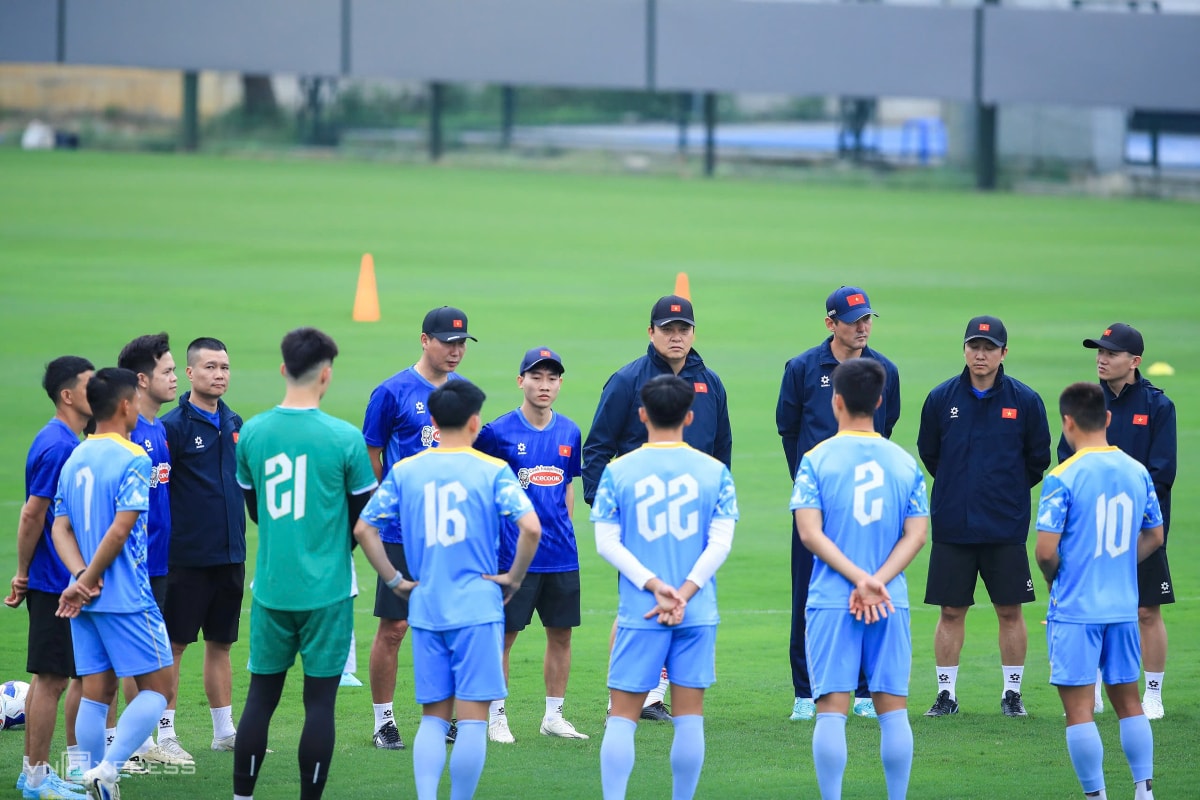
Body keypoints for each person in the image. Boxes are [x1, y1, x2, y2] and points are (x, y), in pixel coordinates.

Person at [354, 380, 542, 800]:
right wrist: (513, 577)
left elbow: (365, 529)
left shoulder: (406, 471)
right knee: (472, 721)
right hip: (478, 606)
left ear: (434, 423)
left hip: (427, 606)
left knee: (433, 718)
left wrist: (394, 580)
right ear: (475, 422)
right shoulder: (493, 471)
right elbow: (531, 527)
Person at [232, 327, 398, 800]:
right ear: (326, 375)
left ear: (283, 368)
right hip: (328, 591)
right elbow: (363, 519)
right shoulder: (344, 438)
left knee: (260, 698)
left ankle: (242, 796)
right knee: (319, 704)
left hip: (271, 589)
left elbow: (256, 510)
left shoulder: (253, 433)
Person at [583, 294, 732, 721]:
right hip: (641, 519)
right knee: (636, 605)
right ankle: (622, 698)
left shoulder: (710, 383)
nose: (676, 336)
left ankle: (653, 696)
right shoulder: (628, 380)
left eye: (683, 329)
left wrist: (717, 507)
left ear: (693, 333)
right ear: (651, 333)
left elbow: (721, 449)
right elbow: (597, 449)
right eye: (667, 329)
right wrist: (607, 507)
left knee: (685, 601)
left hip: (693, 519)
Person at [592, 375, 738, 800]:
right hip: (696, 612)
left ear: (642, 415)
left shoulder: (618, 472)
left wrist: (656, 587)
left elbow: (606, 543)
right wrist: (684, 593)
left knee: (622, 718)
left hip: (641, 611)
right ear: (689, 417)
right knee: (689, 719)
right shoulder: (715, 472)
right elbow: (721, 543)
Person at [791, 358, 928, 800]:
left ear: (836, 401)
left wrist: (857, 580)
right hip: (889, 599)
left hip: (833, 598)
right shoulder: (904, 463)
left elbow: (809, 533)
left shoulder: (816, 460)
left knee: (832, 710)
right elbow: (917, 535)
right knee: (893, 711)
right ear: (881, 401)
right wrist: (877, 582)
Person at [776, 285, 900, 721]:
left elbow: (887, 426)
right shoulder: (802, 368)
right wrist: (809, 486)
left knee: (869, 588)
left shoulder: (885, 370)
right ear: (831, 323)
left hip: (867, 506)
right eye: (853, 321)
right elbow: (789, 428)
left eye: (867, 319)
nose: (862, 327)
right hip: (817, 508)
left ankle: (864, 690)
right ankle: (805, 692)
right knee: (806, 595)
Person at [917, 316, 1050, 718]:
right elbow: (930, 454)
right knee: (950, 611)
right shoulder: (941, 399)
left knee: (1010, 610)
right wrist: (959, 487)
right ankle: (946, 695)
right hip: (953, 525)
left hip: (1004, 527)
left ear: (1003, 353)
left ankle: (1012, 694)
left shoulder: (1025, 401)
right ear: (964, 349)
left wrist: (1004, 492)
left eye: (989, 348)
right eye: (974, 346)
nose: (980, 354)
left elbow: (1037, 459)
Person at [1035, 381, 1162, 800]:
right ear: (1107, 418)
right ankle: (1144, 791)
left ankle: (1097, 796)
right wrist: (1119, 565)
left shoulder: (1062, 477)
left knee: (1079, 710)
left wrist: (1058, 578)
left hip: (1075, 610)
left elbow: (1045, 551)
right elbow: (1155, 535)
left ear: (1067, 423)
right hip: (1123, 608)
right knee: (1129, 703)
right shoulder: (1137, 470)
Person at [50, 368, 174, 800]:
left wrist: (79, 578)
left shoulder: (76, 456)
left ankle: (94, 782)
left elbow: (60, 527)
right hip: (125, 594)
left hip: (83, 598)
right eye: (136, 400)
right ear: (125, 405)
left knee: (96, 693)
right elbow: (121, 530)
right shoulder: (133, 457)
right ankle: (107, 769)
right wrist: (91, 577)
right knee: (160, 690)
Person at [361, 305, 475, 749]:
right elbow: (372, 457)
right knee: (394, 628)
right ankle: (383, 721)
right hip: (401, 533)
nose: (455, 350)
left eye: (462, 343)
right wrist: (387, 504)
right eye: (448, 342)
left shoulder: (464, 392)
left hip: (449, 531)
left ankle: (442, 717)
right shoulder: (391, 392)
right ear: (425, 340)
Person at [1057, 324, 1176, 720]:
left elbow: (1162, 472)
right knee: (1091, 610)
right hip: (1091, 529)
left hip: (1141, 530)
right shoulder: (1086, 402)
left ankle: (1153, 693)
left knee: (1146, 611)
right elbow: (1066, 459)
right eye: (1099, 352)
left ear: (1135, 361)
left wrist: (1129, 516)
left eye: (1111, 353)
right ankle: (1091, 689)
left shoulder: (1158, 406)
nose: (1102, 359)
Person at [474, 347, 586, 743]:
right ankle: (496, 716)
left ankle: (553, 716)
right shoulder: (496, 433)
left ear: (560, 384)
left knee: (561, 635)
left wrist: (563, 528)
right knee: (504, 637)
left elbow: (567, 487)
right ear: (520, 381)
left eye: (552, 378)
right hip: (513, 557)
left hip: (561, 556)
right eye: (536, 377)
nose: (544, 385)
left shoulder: (570, 432)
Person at [7, 357, 94, 800]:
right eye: (90, 386)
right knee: (53, 679)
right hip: (53, 581)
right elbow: (32, 514)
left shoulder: (62, 438)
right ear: (67, 395)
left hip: (53, 578)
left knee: (52, 677)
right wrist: (23, 574)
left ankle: (34, 773)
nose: (98, 393)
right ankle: (38, 778)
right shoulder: (60, 446)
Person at [160, 337, 244, 759]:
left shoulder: (234, 422)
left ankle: (224, 731)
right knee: (174, 646)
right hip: (187, 558)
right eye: (210, 367)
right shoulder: (172, 427)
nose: (219, 375)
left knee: (221, 643)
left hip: (230, 554)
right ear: (190, 373)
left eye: (224, 367)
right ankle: (164, 733)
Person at [115, 333, 183, 767]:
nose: (176, 378)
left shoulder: (158, 427)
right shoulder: (128, 430)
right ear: (142, 379)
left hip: (159, 561)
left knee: (147, 657)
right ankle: (129, 747)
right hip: (133, 564)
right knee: (132, 658)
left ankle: (138, 743)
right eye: (168, 371)